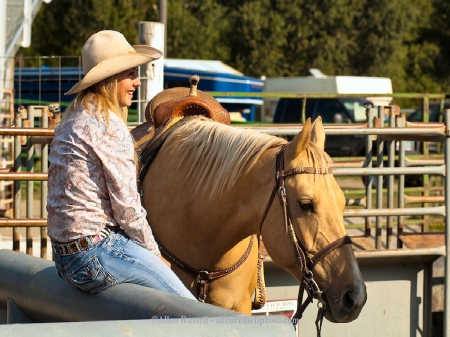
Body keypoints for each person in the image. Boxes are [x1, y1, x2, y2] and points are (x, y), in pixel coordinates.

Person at [47, 30, 195, 300]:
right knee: (185, 304)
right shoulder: (109, 127)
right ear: (108, 80)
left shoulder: (71, 119)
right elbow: (127, 209)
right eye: (130, 74)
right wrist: (155, 256)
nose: (137, 82)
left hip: (63, 258)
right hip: (94, 253)